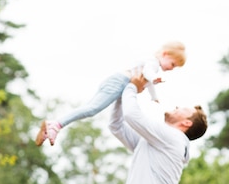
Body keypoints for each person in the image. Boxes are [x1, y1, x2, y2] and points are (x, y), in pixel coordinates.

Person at [35, 41, 186, 146]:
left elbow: (149, 81)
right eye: (173, 64)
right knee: (92, 109)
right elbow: (147, 73)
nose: (172, 68)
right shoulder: (152, 63)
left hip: (119, 83)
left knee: (94, 111)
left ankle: (48, 132)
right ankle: (56, 124)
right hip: (119, 83)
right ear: (165, 54)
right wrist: (154, 78)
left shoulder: (153, 65)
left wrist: (154, 97)